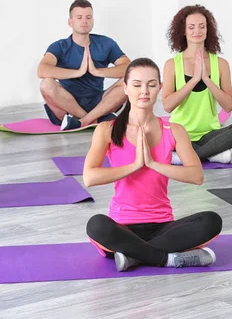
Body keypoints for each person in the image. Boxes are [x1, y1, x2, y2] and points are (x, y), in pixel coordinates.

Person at [84, 57, 223, 272]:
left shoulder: (174, 130)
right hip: (122, 227)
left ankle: (134, 256)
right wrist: (135, 166)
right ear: (125, 88)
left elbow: (196, 176)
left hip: (163, 227)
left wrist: (153, 163)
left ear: (159, 88)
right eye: (137, 85)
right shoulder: (107, 130)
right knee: (96, 225)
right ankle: (165, 259)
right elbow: (89, 177)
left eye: (151, 85)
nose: (144, 91)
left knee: (211, 221)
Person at [162, 5, 232, 164]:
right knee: (155, 136)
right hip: (179, 133)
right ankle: (212, 154)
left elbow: (228, 105)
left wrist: (206, 79)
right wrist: (195, 80)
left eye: (202, 26)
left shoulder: (221, 64)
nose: (197, 31)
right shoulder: (172, 65)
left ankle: (184, 157)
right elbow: (168, 106)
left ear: (208, 30)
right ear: (183, 31)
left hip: (209, 134)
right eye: (191, 27)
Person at [37, 0, 131, 130]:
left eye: (88, 17)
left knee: (130, 81)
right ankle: (94, 119)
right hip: (66, 106)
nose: (84, 21)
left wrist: (98, 71)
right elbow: (42, 70)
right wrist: (78, 72)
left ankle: (82, 122)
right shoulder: (59, 46)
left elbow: (130, 68)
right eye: (79, 17)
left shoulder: (106, 43)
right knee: (46, 84)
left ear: (93, 21)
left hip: (99, 102)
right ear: (70, 22)